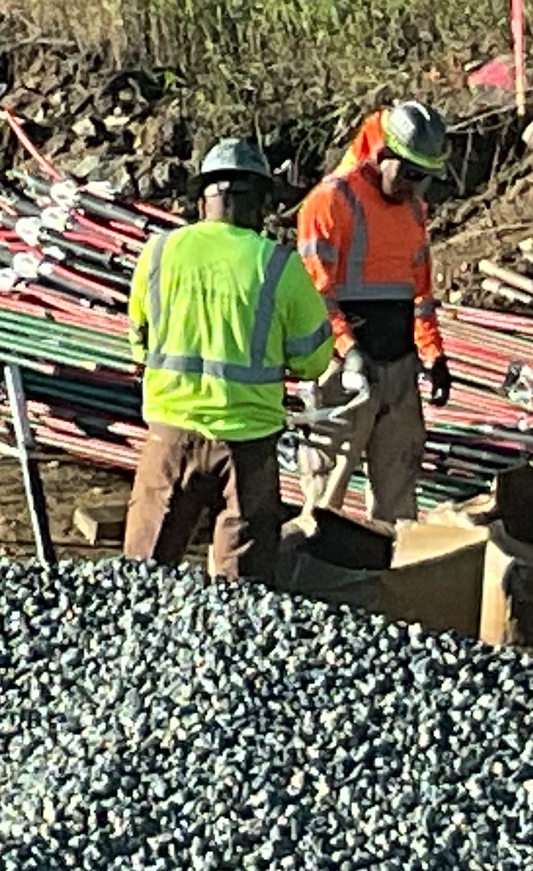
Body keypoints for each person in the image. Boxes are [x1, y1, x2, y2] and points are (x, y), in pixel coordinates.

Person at [121, 137, 335, 586]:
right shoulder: (278, 266)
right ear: (259, 202)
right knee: (243, 587)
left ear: (204, 201)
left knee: (143, 575)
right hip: (247, 444)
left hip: (170, 436)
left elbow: (139, 343)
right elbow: (315, 357)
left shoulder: (159, 254)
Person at [294, 98, 454, 527]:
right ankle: (312, 568)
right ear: (383, 156)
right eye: (409, 173)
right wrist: (348, 349)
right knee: (327, 484)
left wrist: (432, 353)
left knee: (399, 487)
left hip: (398, 366)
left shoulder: (413, 211)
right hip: (344, 369)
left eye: (423, 178)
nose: (414, 186)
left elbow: (419, 291)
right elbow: (315, 292)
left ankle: (392, 575)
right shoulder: (331, 201)